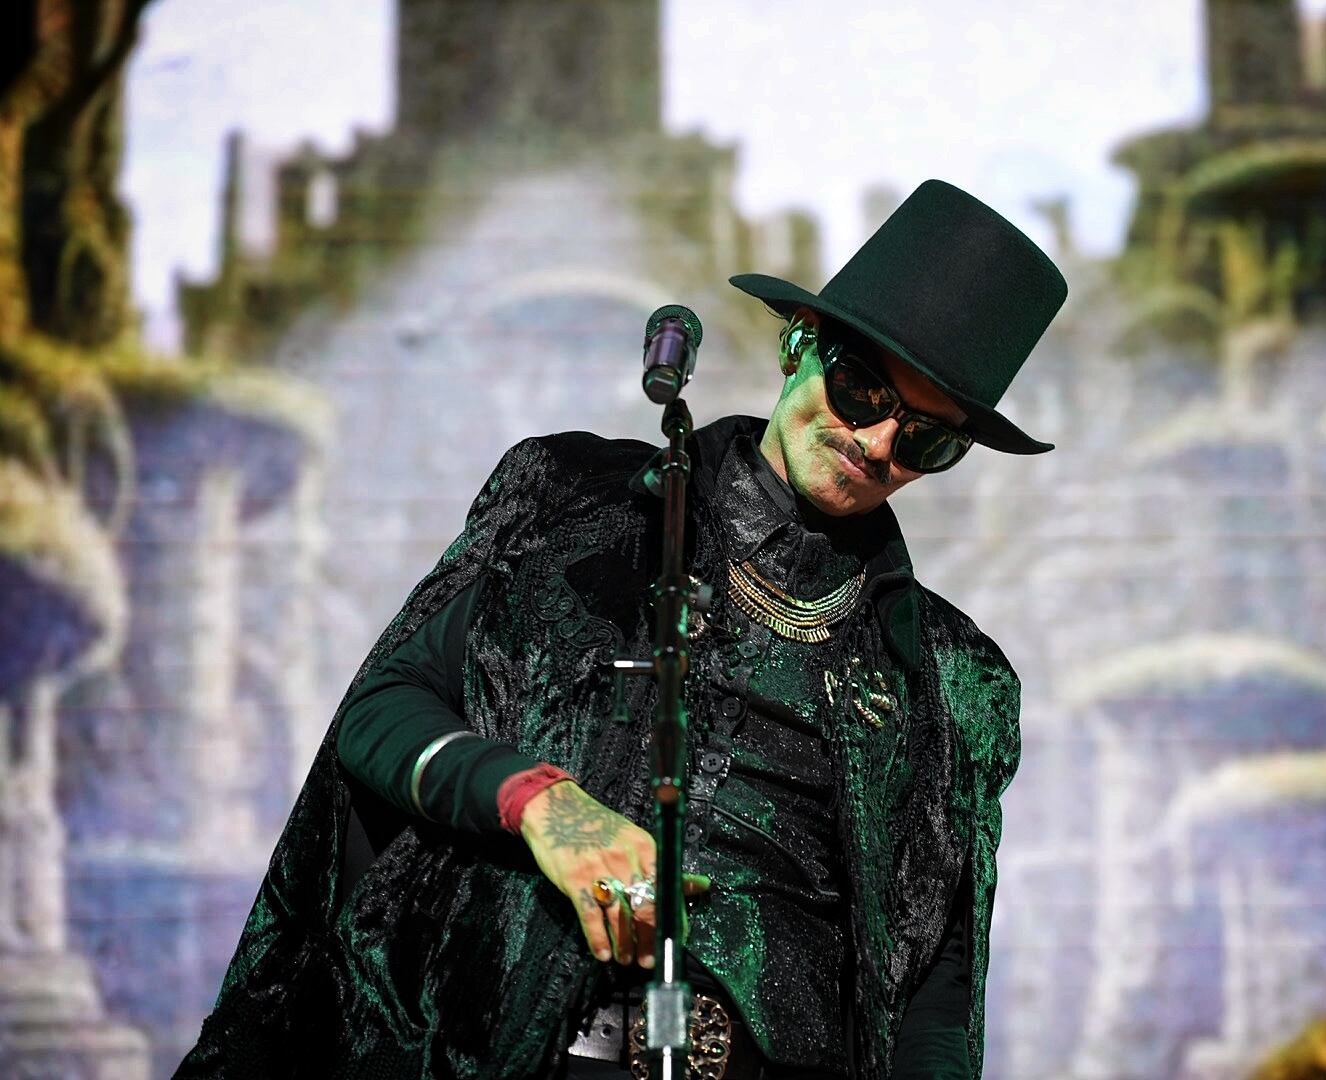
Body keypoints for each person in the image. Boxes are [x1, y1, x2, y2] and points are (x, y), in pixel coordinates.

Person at [176, 179, 1066, 1079]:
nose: (875, 445)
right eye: (861, 391)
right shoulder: (574, 505)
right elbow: (379, 715)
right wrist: (537, 802)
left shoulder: (951, 680)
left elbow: (936, 988)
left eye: (926, 440)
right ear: (798, 344)